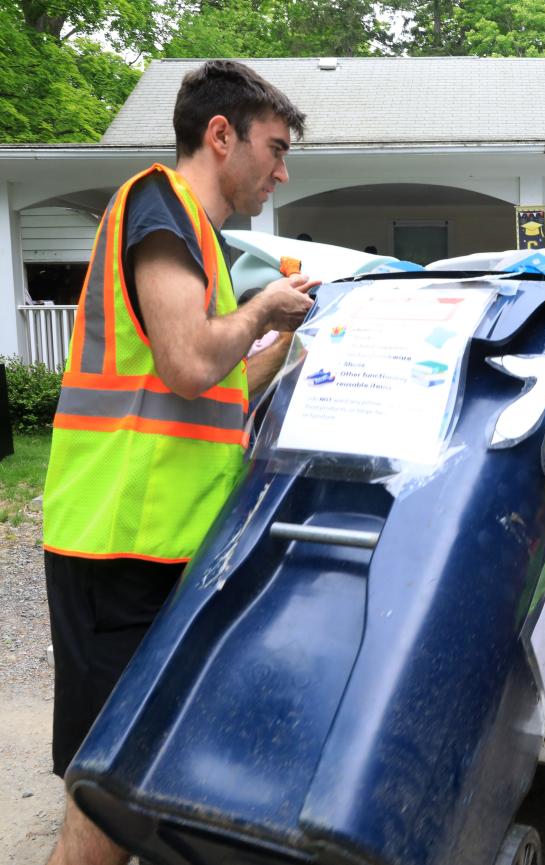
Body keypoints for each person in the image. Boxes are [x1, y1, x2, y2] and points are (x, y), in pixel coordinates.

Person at [41, 60, 318, 865]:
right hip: (115, 543)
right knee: (111, 788)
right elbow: (191, 361)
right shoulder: (155, 204)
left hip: (165, 550)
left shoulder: (203, 241)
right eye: (274, 147)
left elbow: (216, 386)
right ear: (220, 134)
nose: (281, 169)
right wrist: (264, 307)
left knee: (138, 775)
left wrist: (290, 346)